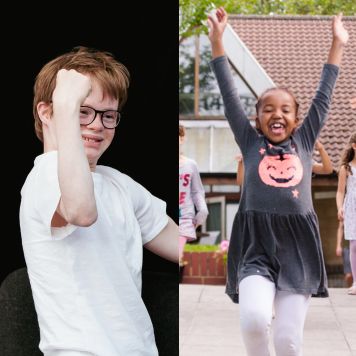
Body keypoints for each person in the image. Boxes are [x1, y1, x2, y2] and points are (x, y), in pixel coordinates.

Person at [19, 46, 178, 356]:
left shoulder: (119, 183)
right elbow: (80, 211)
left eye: (108, 116)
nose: (96, 125)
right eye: (82, 110)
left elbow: (182, 246)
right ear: (47, 112)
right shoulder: (44, 176)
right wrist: (65, 105)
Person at [207, 7, 348, 355]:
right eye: (268, 108)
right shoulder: (250, 141)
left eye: (285, 109)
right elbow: (227, 94)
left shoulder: (303, 140)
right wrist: (216, 41)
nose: (277, 114)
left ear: (297, 120)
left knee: (288, 340)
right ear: (256, 118)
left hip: (297, 248)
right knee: (254, 319)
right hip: (256, 246)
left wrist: (338, 44)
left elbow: (324, 95)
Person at [236, 139, 333, 186]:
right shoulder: (264, 161)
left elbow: (327, 169)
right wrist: (241, 162)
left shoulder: (299, 160)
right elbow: (241, 182)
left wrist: (320, 149)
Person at [179, 124, 209, 265]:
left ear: (182, 138)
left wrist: (202, 211)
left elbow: (197, 191)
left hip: (184, 218)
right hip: (163, 218)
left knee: (177, 255)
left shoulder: (190, 165)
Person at [336, 132, 356, 295]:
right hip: (351, 208)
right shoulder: (346, 168)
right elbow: (340, 192)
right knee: (354, 245)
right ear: (354, 146)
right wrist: (339, 207)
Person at [335, 220, 353, 288]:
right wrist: (338, 245)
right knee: (348, 275)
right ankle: (350, 287)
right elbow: (340, 227)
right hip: (348, 247)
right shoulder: (346, 211)